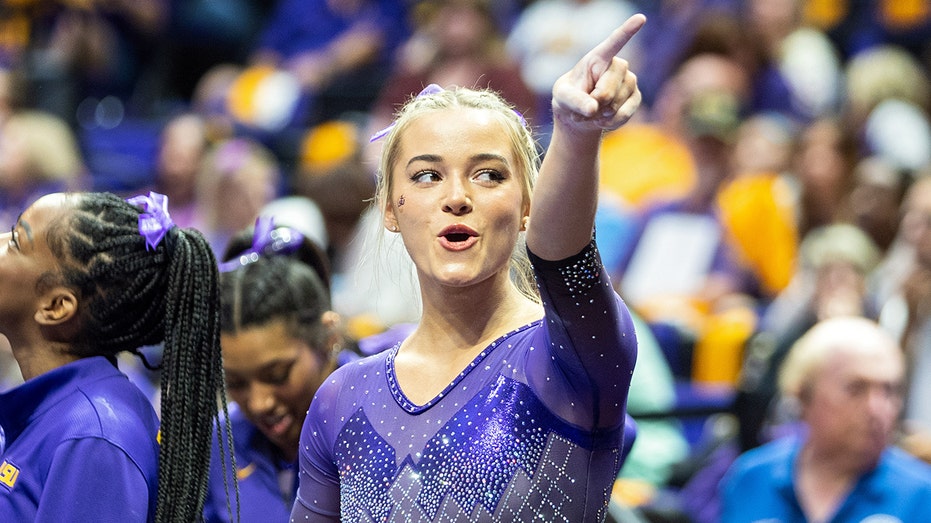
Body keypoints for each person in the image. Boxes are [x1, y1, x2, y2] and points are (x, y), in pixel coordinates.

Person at [290, 13, 645, 521]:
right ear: (392, 208)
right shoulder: (341, 398)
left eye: (488, 174)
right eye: (428, 175)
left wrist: (575, 132)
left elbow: (565, 259)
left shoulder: (569, 359)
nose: (456, 197)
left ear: (528, 205)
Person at [0, 191, 235, 522]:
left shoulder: (94, 438)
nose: (1, 241)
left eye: (16, 241)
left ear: (56, 307)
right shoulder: (64, 416)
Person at [203, 218, 357, 522]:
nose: (259, 403)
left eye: (277, 375)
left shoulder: (381, 423)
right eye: (234, 382)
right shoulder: (219, 443)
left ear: (329, 337)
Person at [719, 316, 931, 522]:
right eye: (855, 388)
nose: (877, 408)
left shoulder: (921, 495)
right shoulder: (752, 478)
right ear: (803, 395)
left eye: (889, 391)